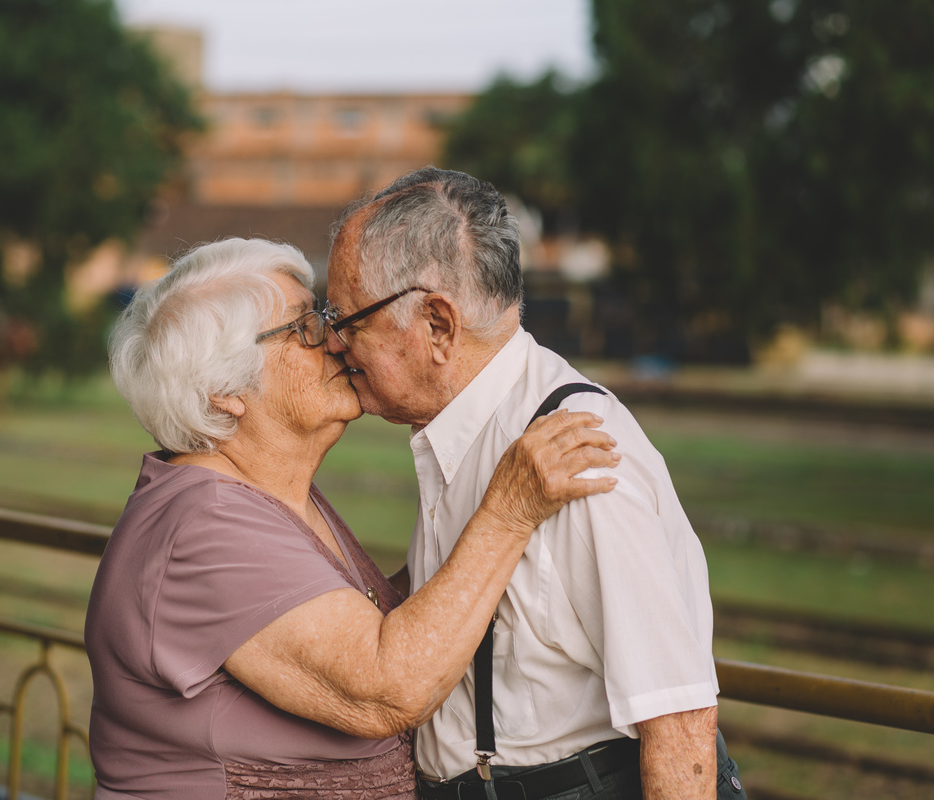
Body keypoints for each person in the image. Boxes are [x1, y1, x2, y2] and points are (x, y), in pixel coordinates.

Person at [84, 237, 620, 800]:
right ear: (225, 392)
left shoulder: (273, 494)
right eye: (305, 326)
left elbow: (359, 624)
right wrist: (508, 511)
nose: (337, 339)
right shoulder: (203, 525)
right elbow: (387, 688)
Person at [324, 168, 746, 800]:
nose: (333, 342)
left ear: (439, 326)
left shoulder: (579, 453)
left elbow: (679, 719)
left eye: (347, 317)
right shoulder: (467, 426)